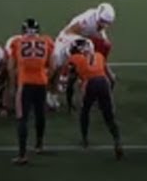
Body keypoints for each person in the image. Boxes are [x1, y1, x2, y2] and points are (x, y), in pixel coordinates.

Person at [64, 39, 123, 159]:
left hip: (90, 84)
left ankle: (85, 139)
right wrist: (108, 92)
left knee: (84, 112)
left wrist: (69, 102)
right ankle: (117, 140)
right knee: (109, 116)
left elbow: (70, 83)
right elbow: (112, 78)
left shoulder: (74, 59)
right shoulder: (99, 55)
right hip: (103, 82)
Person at [7, 18, 54, 165]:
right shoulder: (47, 41)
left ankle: (22, 155)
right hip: (41, 82)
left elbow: (10, 67)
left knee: (22, 118)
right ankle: (39, 145)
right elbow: (52, 66)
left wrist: (13, 86)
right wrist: (47, 79)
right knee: (40, 114)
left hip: (25, 83)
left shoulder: (17, 43)